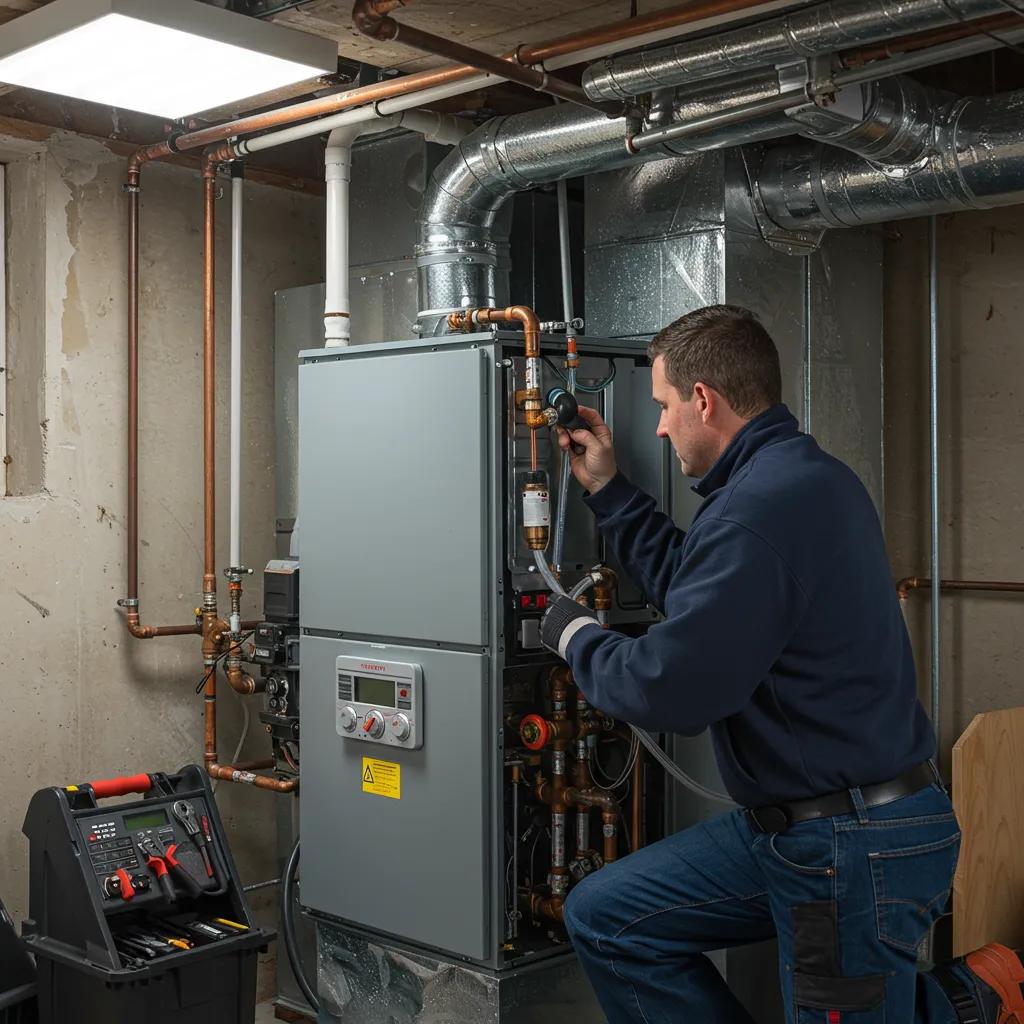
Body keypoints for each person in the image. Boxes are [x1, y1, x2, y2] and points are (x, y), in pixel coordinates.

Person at [538, 305, 1024, 1024]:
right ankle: (965, 996)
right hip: (797, 832)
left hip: (850, 845)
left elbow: (673, 687)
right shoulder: (795, 482)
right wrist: (608, 491)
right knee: (609, 917)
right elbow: (704, 589)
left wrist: (576, 637)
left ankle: (969, 1002)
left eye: (667, 407)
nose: (663, 427)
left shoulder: (759, 510)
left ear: (704, 399)